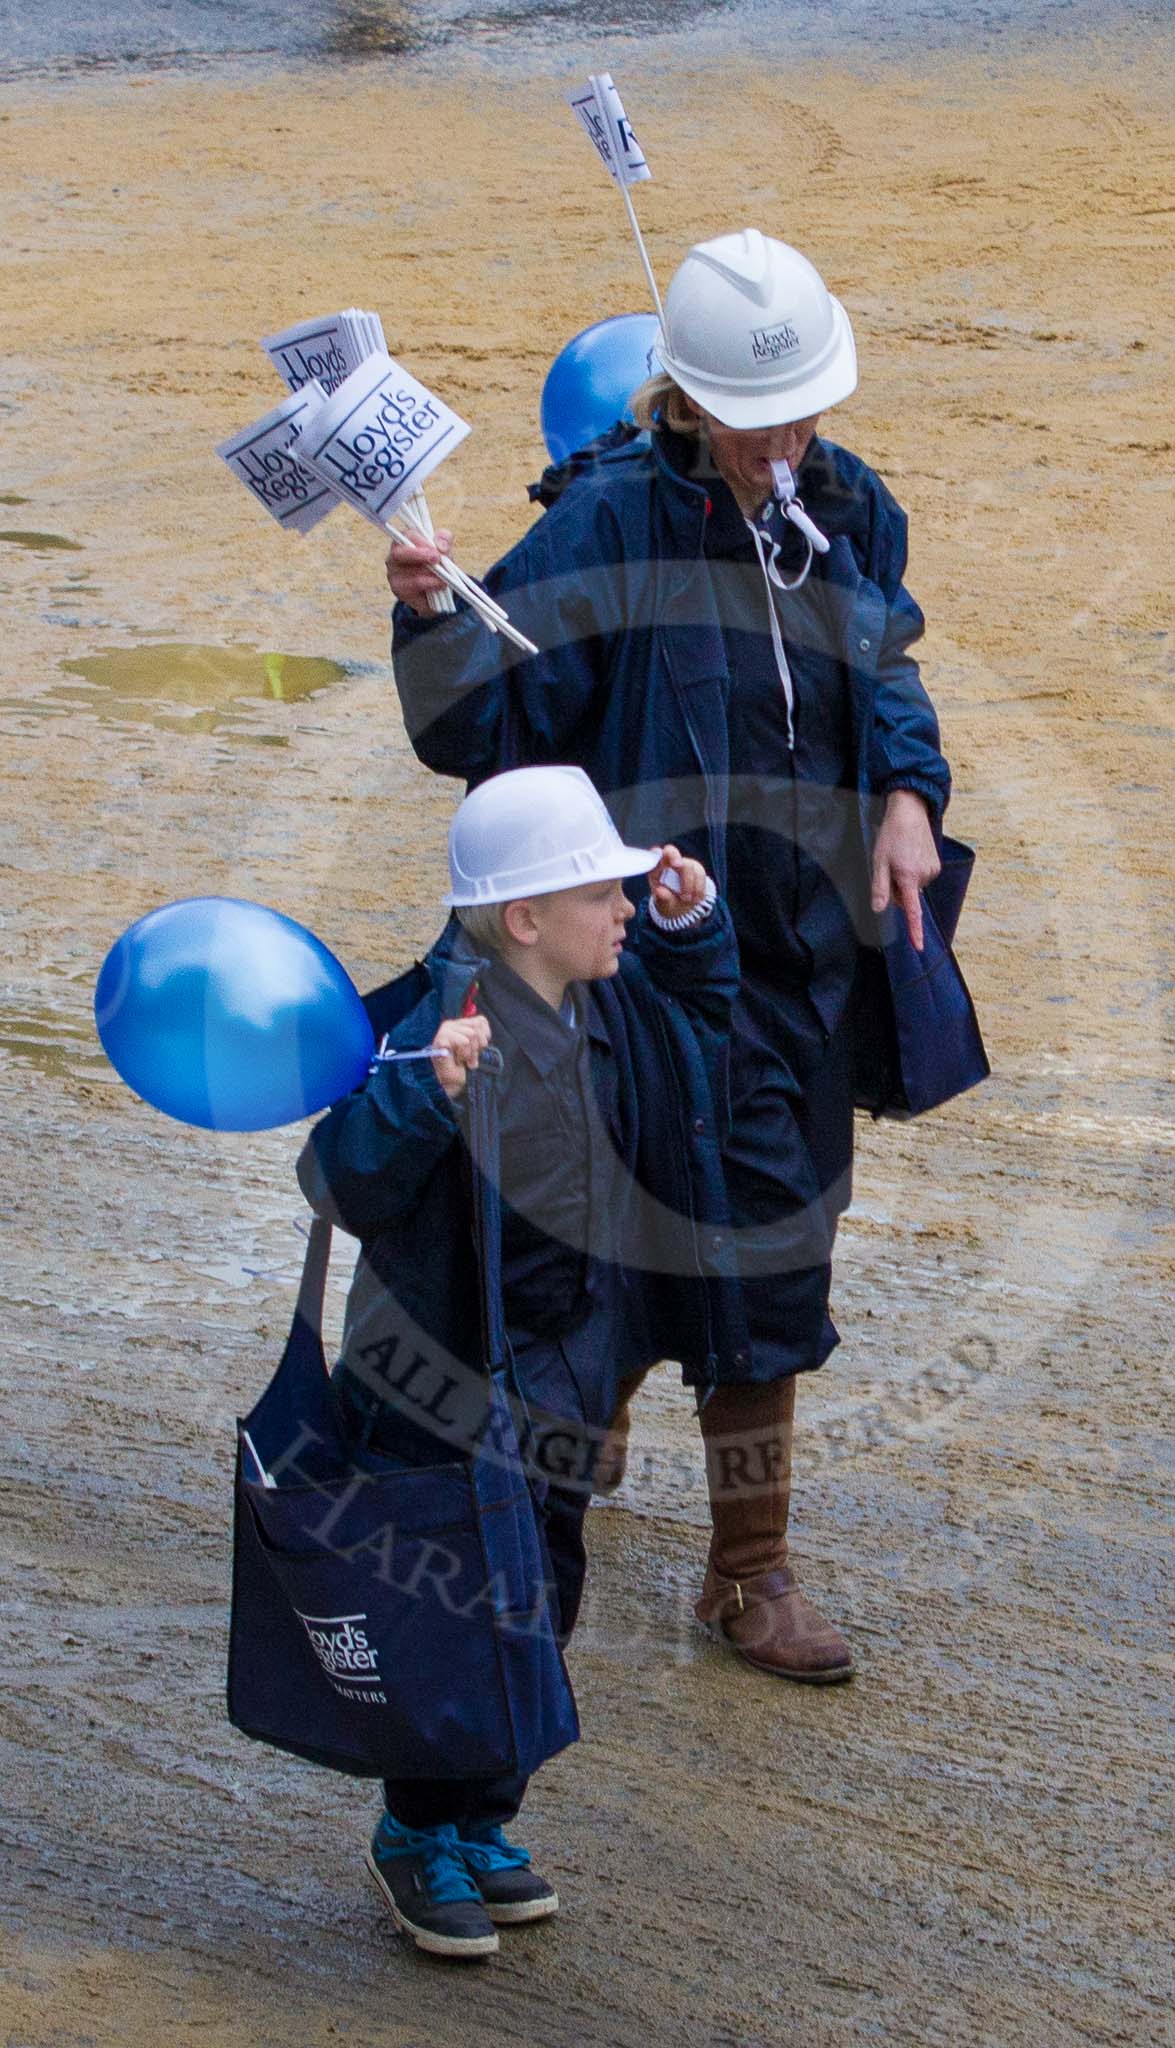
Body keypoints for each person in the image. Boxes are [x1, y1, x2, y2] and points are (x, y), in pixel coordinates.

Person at [385, 228, 980, 1685]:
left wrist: (909, 797)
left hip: (799, 966)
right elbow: (479, 732)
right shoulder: (601, 526)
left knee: (774, 1260)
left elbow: (887, 667)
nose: (792, 436)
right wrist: (425, 621)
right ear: (686, 401)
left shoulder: (850, 505)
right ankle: (552, 1530)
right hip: (628, 975)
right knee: (594, 1263)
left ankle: (747, 1569)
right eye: (761, 413)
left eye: (807, 408)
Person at [297, 764, 739, 1959]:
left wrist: (698, 930)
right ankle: (414, 1830)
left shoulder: (617, 1003)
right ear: (526, 917)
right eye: (605, 889)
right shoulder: (434, 1028)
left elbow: (704, 1028)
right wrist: (421, 1098)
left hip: (564, 1372)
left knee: (541, 1596)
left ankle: (483, 1815)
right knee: (446, 1608)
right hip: (443, 1389)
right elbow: (336, 1178)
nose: (627, 904)